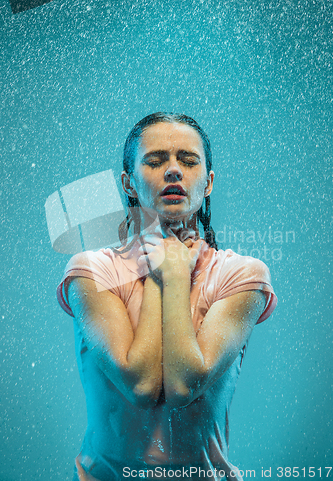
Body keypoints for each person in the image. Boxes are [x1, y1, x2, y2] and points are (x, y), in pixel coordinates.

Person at [57, 112, 277, 481]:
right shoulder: (93, 271)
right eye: (155, 161)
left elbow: (182, 385)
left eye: (188, 161)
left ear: (208, 183)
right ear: (128, 183)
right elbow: (141, 385)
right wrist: (164, 273)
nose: (173, 170)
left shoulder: (242, 275)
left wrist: (175, 274)